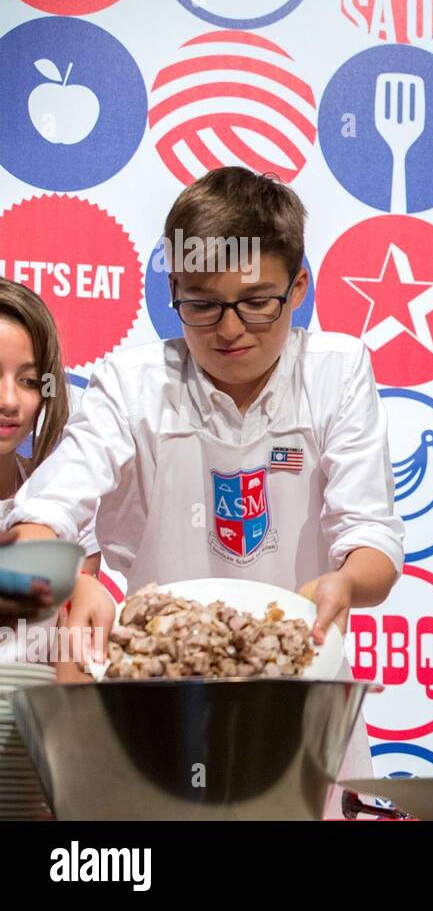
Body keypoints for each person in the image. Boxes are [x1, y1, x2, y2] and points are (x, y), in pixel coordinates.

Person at [3, 167, 404, 803]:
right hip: (159, 691)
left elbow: (372, 536)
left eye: (256, 301)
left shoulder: (338, 372)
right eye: (201, 303)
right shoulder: (131, 382)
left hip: (299, 686)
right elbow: (48, 506)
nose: (229, 329)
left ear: (299, 287)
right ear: (171, 292)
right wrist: (66, 577)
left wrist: (344, 583)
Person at [0, 280, 99, 659]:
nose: (10, 401)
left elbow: (71, 667)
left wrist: (84, 586)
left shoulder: (68, 506)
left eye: (27, 380)